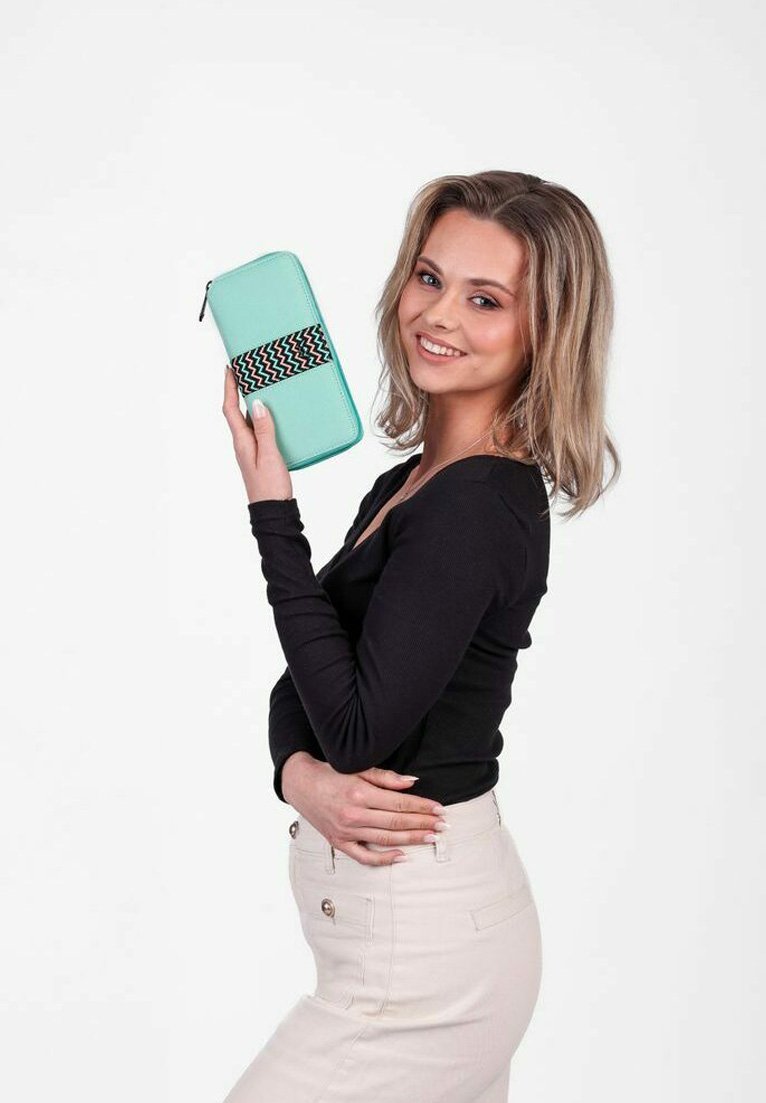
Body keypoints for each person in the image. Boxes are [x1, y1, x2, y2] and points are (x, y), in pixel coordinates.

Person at [220, 170, 620, 1102]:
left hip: (425, 963)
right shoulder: (415, 483)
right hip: (414, 941)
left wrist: (272, 510)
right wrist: (297, 775)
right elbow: (302, 688)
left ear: (546, 331)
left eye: (486, 299)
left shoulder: (474, 506)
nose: (438, 315)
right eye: (429, 278)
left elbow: (355, 727)